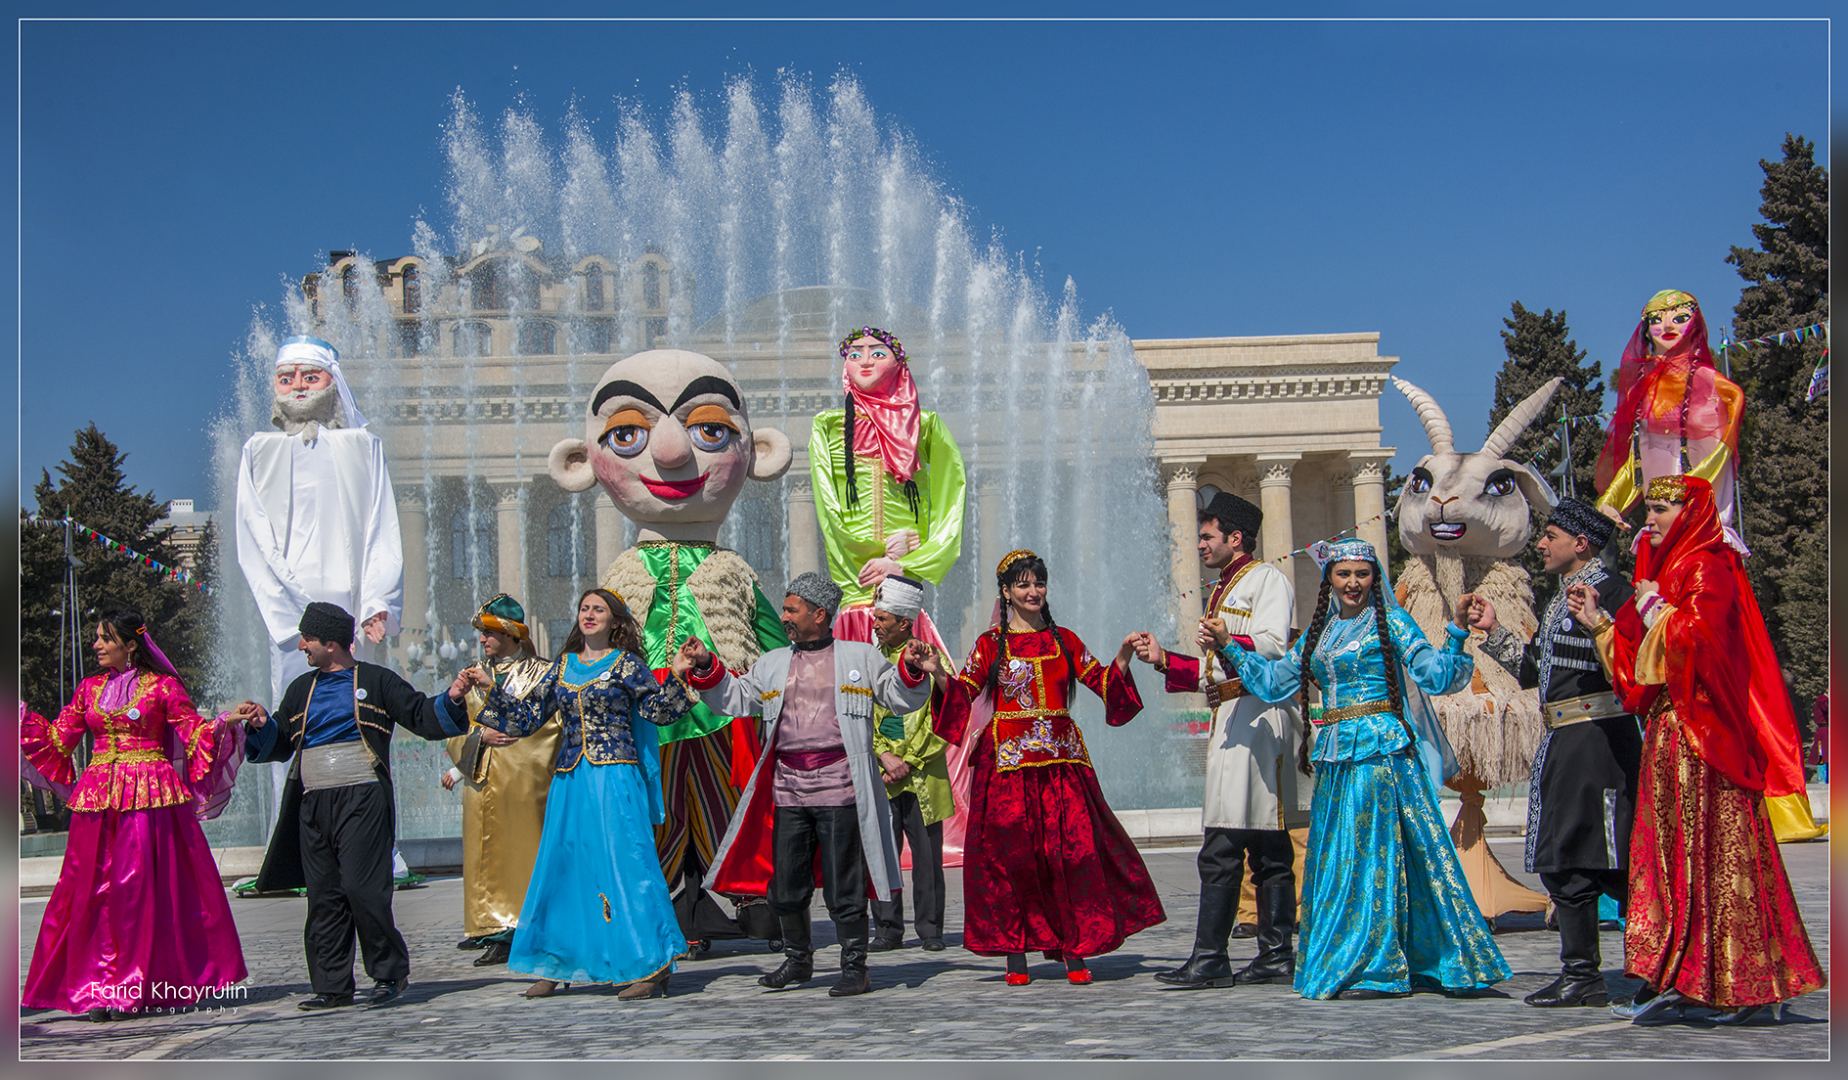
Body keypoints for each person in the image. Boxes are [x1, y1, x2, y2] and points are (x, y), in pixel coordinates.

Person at [552, 348, 796, 954]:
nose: (669, 453)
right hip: (642, 713)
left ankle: (747, 900)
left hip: (720, 707)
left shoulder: (732, 569)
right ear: (581, 461)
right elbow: (588, 643)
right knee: (650, 813)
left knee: (730, 806)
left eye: (710, 429)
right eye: (628, 433)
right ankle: (655, 908)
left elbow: (770, 640)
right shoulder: (621, 571)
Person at [1214, 539, 1509, 1000]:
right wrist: (1229, 645)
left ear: (1375, 579)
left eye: (1362, 574)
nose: (1353, 583)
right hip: (1337, 759)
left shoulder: (1390, 621)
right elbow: (1273, 684)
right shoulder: (1320, 634)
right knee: (1339, 858)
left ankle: (1378, 964)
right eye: (1344, 574)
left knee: (1372, 856)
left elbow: (1435, 675)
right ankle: (1355, 957)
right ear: (1329, 579)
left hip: (1381, 755)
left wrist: (1454, 631)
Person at [1579, 475, 1824, 1023]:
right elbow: (1642, 652)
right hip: (1674, 731)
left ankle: (1741, 982)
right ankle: (1689, 975)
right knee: (1675, 857)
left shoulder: (1706, 565)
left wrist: (1653, 610)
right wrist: (1603, 622)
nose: (1651, 520)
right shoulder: (1670, 569)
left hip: (1703, 735)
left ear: (1690, 513)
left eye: (1662, 509)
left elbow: (1703, 644)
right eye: (1652, 510)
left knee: (1714, 852)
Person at [1591, 289, 1822, 843]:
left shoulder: (1723, 392)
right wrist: (1611, 502)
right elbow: (1632, 462)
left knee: (1729, 661)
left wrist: (1676, 503)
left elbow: (1712, 462)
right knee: (1653, 653)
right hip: (1656, 537)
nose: (1668, 326)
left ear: (1697, 325)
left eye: (1680, 317)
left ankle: (1767, 788)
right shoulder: (1642, 394)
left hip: (1705, 535)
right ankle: (1678, 780)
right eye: (1657, 319)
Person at [675, 572, 939, 997]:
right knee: (787, 884)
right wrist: (707, 665)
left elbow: (899, 696)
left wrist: (910, 668)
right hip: (788, 792)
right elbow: (737, 698)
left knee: (844, 885)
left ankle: (855, 965)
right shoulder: (774, 662)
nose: (784, 618)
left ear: (820, 614)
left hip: (842, 789)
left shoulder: (860, 657)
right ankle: (798, 961)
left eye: (791, 610)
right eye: (784, 609)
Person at [930, 549, 1164, 986]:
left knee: (1071, 858)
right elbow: (962, 695)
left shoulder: (1065, 641)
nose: (1032, 591)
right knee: (1014, 861)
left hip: (1061, 768)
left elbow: (1102, 683)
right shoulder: (989, 646)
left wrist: (1124, 655)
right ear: (1006, 592)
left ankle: (1074, 949)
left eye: (1038, 583)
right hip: (1008, 771)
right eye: (1022, 584)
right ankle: (1015, 955)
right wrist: (936, 673)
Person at [232, 601, 470, 1010]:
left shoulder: (376, 681)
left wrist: (450, 697)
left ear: (331, 642)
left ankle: (388, 974)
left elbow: (419, 714)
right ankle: (332, 985)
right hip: (314, 801)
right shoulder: (300, 690)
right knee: (323, 894)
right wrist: (260, 724)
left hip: (362, 796)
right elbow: (279, 742)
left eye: (308, 638)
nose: (302, 645)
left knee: (364, 889)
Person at [466, 588, 700, 1000]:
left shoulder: (628, 665)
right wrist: (492, 688)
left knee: (626, 866)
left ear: (615, 621)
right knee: (563, 866)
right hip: (570, 780)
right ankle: (555, 960)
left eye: (599, 609)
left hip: (615, 777)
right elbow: (525, 719)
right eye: (584, 608)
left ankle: (652, 965)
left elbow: (658, 712)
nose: (589, 614)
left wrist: (679, 672)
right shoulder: (562, 668)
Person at [20, 609, 247, 1020]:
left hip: (150, 797)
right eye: (97, 639)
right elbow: (57, 740)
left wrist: (225, 722)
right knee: (87, 889)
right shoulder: (89, 690)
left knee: (138, 891)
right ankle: (96, 986)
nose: (97, 646)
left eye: (105, 639)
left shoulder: (162, 688)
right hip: (98, 800)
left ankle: (136, 985)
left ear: (130, 645)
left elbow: (192, 732)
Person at [1469, 496, 1641, 1008]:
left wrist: (1599, 624)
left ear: (1580, 544)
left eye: (1551, 536)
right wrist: (1494, 631)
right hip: (1566, 741)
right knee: (1567, 860)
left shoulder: (1613, 593)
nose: (1541, 544)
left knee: (1611, 859)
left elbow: (1633, 669)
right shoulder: (1564, 595)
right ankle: (1581, 973)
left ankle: (1653, 966)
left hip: (1600, 743)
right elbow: (1537, 672)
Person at [1132, 491, 1300, 990]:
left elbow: (1275, 647)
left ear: (1235, 537)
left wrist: (1229, 639)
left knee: (1227, 842)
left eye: (1207, 536)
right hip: (1232, 713)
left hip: (1258, 717)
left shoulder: (1266, 578)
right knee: (1265, 843)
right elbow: (1211, 673)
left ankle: (1212, 958)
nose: (1200, 544)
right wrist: (1164, 659)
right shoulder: (1223, 588)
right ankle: (1273, 953)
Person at [439, 594, 559, 967]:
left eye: (489, 633)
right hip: (483, 774)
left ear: (509, 635)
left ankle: (522, 927)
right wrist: (477, 738)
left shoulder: (541, 672)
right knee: (482, 853)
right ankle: (487, 925)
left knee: (522, 851)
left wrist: (499, 708)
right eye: (481, 634)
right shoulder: (471, 674)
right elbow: (456, 724)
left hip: (524, 780)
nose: (483, 641)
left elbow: (550, 725)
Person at [865, 574, 954, 953]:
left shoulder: (931, 660)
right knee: (880, 852)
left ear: (904, 623)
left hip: (923, 773)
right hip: (882, 772)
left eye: (882, 618)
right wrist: (882, 755)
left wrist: (909, 759)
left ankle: (930, 929)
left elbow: (948, 714)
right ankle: (886, 927)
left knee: (928, 859)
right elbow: (858, 714)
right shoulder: (866, 659)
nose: (875, 623)